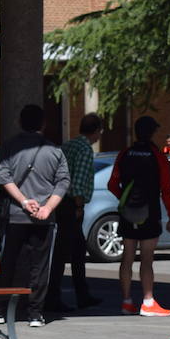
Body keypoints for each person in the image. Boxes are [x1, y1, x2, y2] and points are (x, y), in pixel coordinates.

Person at [0, 104, 70, 328]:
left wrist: (24, 201)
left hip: (16, 216)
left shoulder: (10, 147)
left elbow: (3, 177)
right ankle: (35, 313)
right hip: (45, 221)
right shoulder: (55, 151)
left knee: (9, 263)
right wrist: (48, 208)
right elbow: (63, 181)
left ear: (19, 122)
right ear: (43, 124)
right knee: (41, 266)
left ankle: (0, 308)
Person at [109, 116, 170, 316]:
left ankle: (126, 301)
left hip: (128, 212)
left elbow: (112, 184)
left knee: (127, 258)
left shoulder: (125, 153)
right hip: (150, 212)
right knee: (147, 260)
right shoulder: (157, 155)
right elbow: (166, 188)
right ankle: (148, 302)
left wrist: (125, 198)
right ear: (152, 133)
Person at [46, 112, 102, 311]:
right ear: (96, 131)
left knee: (76, 250)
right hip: (71, 204)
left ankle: (82, 293)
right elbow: (77, 180)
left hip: (57, 200)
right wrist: (79, 206)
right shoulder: (85, 149)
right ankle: (53, 296)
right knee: (64, 252)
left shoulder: (67, 145)